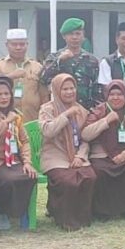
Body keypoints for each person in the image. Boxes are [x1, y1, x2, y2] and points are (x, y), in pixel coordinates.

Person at [81, 80, 125, 220]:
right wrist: (106, 121)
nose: (115, 98)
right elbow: (85, 134)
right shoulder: (99, 111)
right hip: (101, 155)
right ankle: (102, 210)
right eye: (112, 94)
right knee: (99, 171)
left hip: (124, 155)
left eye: (119, 94)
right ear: (106, 96)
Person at [39, 74, 96, 229]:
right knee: (68, 181)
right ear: (57, 90)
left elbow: (85, 139)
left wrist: (80, 156)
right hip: (55, 155)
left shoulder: (81, 110)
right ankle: (63, 218)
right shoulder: (47, 109)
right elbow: (48, 131)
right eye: (65, 89)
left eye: (72, 88)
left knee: (89, 177)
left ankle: (82, 218)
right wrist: (65, 115)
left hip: (76, 155)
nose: (69, 92)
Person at [0, 76, 37, 229]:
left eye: (6, 94)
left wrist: (27, 162)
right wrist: (5, 122)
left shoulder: (16, 114)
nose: (4, 97)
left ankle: (6, 210)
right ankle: (0, 209)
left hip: (12, 160)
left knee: (29, 176)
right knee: (8, 180)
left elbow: (24, 141)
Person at [0, 28, 50, 122]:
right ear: (7, 45)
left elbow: (44, 96)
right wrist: (11, 76)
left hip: (32, 120)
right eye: (14, 44)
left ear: (27, 45)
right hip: (6, 120)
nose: (18, 47)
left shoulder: (37, 66)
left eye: (22, 44)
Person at [42, 18, 101, 111]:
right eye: (71, 34)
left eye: (78, 34)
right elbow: (44, 78)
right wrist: (59, 61)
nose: (74, 37)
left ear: (83, 35)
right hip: (61, 111)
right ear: (64, 36)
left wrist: (95, 110)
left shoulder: (92, 60)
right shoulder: (54, 57)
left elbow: (97, 88)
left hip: (85, 110)